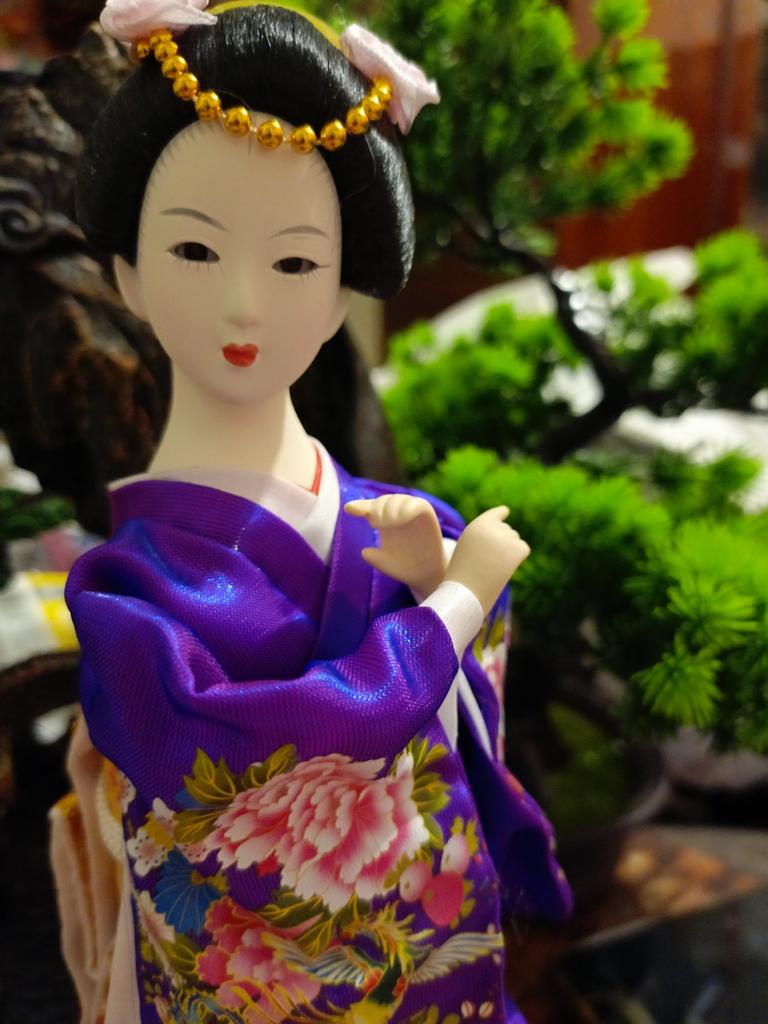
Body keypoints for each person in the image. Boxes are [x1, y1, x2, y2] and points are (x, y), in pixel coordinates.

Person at [52, 3, 572, 1022]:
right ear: (128, 274)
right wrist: (456, 605)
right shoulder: (134, 590)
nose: (245, 303)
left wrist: (430, 580)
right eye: (196, 251)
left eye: (294, 262)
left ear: (340, 293)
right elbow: (252, 756)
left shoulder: (397, 520)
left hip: (424, 961)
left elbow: (447, 723)